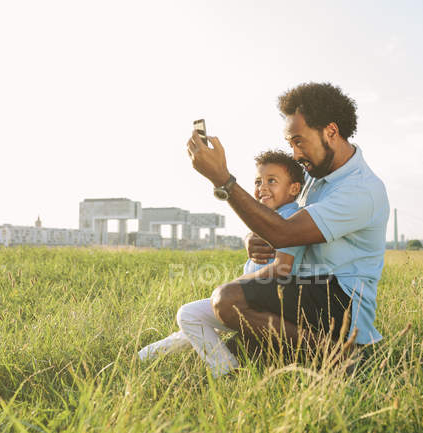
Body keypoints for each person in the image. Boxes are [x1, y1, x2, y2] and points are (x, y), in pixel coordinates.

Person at [186, 82, 389, 361]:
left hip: (340, 300)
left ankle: (340, 356)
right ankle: (305, 351)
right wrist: (252, 237)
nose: (295, 153)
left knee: (228, 300)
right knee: (239, 351)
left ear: (330, 132)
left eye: (299, 141)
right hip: (305, 288)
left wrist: (223, 180)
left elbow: (283, 232)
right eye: (290, 144)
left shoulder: (361, 190)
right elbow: (276, 218)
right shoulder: (312, 176)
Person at [138, 150, 306, 377]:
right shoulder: (268, 219)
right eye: (258, 181)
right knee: (194, 323)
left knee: (189, 314)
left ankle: (227, 371)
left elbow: (282, 268)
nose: (262, 187)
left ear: (294, 189)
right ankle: (144, 357)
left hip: (267, 303)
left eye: (272, 181)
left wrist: (235, 286)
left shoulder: (289, 220)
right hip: (255, 297)